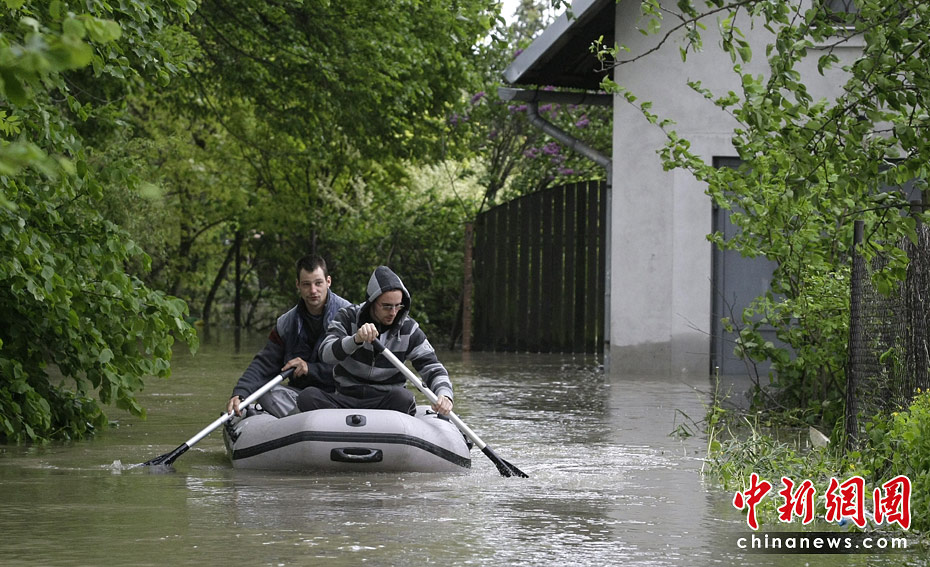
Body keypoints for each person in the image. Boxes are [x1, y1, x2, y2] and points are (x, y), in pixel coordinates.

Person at [296, 265, 454, 416]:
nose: (393, 313)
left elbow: (432, 367)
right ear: (372, 302)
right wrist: (355, 340)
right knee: (308, 396)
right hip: (345, 400)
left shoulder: (409, 329)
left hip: (385, 401)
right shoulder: (347, 317)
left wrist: (444, 395)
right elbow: (326, 354)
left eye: (397, 306)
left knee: (404, 397)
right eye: (386, 306)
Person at [227, 254, 350, 418]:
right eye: (306, 284)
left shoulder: (349, 316)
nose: (313, 290)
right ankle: (300, 421)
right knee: (264, 392)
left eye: (318, 283)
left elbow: (358, 370)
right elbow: (264, 364)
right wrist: (241, 392)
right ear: (298, 285)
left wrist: (310, 369)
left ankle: (312, 419)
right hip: (301, 395)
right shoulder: (286, 323)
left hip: (339, 396)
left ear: (328, 282)